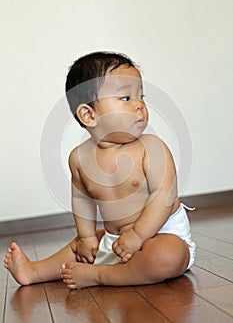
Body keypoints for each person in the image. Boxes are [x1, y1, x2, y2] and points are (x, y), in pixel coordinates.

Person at [4, 51, 196, 289]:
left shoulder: (151, 148)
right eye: (126, 98)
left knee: (166, 256)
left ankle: (98, 275)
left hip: (160, 234)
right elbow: (81, 198)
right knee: (81, 247)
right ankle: (34, 271)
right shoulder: (79, 158)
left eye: (140, 96)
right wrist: (85, 237)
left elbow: (163, 198)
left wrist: (137, 236)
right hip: (115, 241)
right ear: (89, 114)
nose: (140, 105)